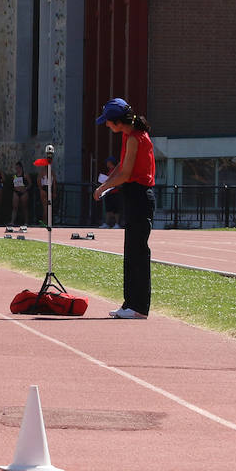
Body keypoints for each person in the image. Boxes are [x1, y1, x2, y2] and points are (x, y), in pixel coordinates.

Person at [93, 97, 155, 319]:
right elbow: (122, 165)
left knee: (138, 254)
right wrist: (108, 181)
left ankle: (139, 308)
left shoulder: (136, 138)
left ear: (118, 121)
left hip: (140, 196)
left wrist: (103, 188)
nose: (107, 126)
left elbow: (127, 174)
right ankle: (130, 303)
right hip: (133, 196)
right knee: (130, 254)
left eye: (108, 122)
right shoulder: (129, 136)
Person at [100, 156, 122, 228]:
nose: (107, 163)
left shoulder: (116, 171)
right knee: (108, 209)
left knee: (116, 209)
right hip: (109, 192)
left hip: (115, 192)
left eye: (108, 162)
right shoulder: (109, 171)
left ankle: (117, 224)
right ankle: (107, 223)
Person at [38, 159, 58, 225]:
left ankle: (47, 221)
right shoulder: (42, 172)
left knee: (49, 207)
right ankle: (44, 222)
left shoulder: (52, 173)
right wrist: (41, 189)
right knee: (45, 207)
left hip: (49, 189)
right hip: (45, 189)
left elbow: (54, 183)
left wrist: (54, 192)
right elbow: (39, 181)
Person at [10, 161, 29, 227]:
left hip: (23, 192)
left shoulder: (25, 175)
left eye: (18, 168)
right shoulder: (15, 175)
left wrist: (25, 188)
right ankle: (12, 222)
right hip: (16, 192)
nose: (17, 169)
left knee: (24, 207)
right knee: (14, 207)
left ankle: (26, 222)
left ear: (21, 168)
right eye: (16, 168)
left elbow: (30, 183)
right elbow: (13, 183)